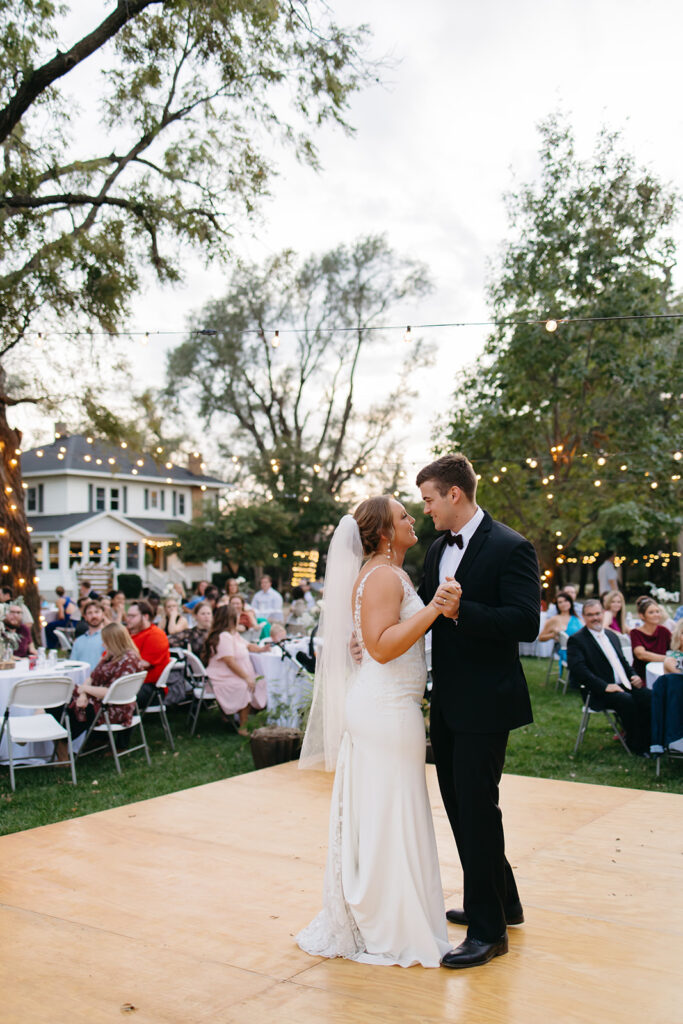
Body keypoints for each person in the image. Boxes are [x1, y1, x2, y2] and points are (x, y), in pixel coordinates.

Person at [297, 496, 460, 969]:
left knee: (390, 810)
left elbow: (370, 640)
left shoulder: (383, 573)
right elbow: (383, 647)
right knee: (394, 811)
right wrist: (434, 609)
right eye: (404, 516)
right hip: (386, 708)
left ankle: (392, 915)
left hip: (388, 704)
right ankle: (393, 925)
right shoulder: (386, 574)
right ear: (386, 533)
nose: (413, 520)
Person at [416, 454, 540, 969]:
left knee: (477, 810)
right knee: (462, 807)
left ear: (454, 495)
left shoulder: (512, 547)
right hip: (446, 701)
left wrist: (463, 609)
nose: (425, 510)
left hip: (487, 703)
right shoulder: (437, 549)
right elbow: (422, 609)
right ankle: (502, 901)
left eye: (428, 500)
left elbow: (526, 621)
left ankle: (490, 932)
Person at [567, 599, 651, 754]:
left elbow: (623, 662)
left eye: (598, 614)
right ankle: (637, 745)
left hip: (624, 685)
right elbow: (579, 670)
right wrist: (605, 686)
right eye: (590, 615)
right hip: (597, 691)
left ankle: (651, 740)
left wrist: (633, 675)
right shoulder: (577, 640)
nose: (595, 618)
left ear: (603, 614)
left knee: (649, 697)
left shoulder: (611, 635)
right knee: (627, 701)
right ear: (583, 617)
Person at [65, 622, 144, 743]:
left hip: (111, 707)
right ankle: (61, 744)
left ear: (114, 641)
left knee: (62, 704)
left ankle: (62, 744)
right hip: (99, 700)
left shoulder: (129, 660)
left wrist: (85, 690)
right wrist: (83, 694)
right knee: (64, 694)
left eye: (105, 641)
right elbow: (92, 677)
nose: (103, 644)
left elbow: (112, 692)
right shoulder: (111, 656)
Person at [203, 606, 267, 735]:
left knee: (261, 682)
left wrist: (261, 649)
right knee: (244, 685)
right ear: (230, 618)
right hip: (222, 675)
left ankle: (254, 720)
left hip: (232, 673)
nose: (239, 618)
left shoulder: (234, 634)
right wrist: (246, 677)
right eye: (237, 616)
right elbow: (229, 661)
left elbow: (247, 645)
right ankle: (243, 727)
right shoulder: (224, 636)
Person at [126, 600, 171, 709]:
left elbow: (142, 664)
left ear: (145, 617)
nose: (128, 619)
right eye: (128, 616)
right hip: (128, 680)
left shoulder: (156, 635)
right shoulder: (127, 633)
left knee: (110, 695)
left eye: (132, 616)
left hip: (149, 687)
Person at [538, 590, 582, 671]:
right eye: (560, 602)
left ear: (570, 602)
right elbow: (541, 638)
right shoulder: (554, 619)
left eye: (566, 601)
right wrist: (553, 635)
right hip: (566, 650)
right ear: (557, 605)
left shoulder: (578, 618)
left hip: (581, 648)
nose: (563, 604)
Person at [629, 598, 672, 683]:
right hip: (642, 677)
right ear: (642, 615)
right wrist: (668, 659)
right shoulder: (635, 633)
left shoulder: (664, 631)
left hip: (663, 672)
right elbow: (641, 654)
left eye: (657, 611)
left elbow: (676, 647)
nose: (656, 614)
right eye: (651, 612)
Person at [70, 601, 105, 670]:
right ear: (85, 617)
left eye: (97, 612)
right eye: (90, 613)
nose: (94, 616)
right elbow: (72, 665)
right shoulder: (78, 641)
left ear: (103, 614)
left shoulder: (109, 638)